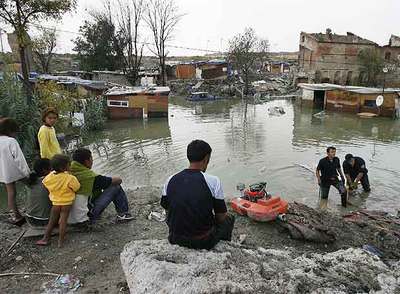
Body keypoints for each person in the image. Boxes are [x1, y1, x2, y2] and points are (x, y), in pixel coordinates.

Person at [161, 139, 235, 250]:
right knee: (229, 219)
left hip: (175, 238)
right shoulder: (213, 181)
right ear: (206, 158)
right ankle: (225, 247)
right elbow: (221, 217)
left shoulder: (170, 180)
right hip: (202, 241)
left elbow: (167, 210)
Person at [70, 148, 134, 224]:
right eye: (91, 159)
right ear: (87, 161)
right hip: (86, 216)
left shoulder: (67, 173)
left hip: (68, 216)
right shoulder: (90, 177)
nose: (92, 161)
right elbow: (118, 180)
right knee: (116, 186)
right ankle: (124, 215)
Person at [37, 155, 80, 247]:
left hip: (55, 203)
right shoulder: (70, 178)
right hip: (66, 203)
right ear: (64, 167)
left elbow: (45, 183)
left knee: (52, 221)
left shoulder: (49, 177)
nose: (70, 166)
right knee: (63, 220)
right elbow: (77, 188)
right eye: (69, 164)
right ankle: (60, 241)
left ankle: (45, 238)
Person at [0, 118, 30, 225]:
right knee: (31, 184)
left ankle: (16, 215)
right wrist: (27, 173)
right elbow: (19, 159)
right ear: (10, 131)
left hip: (3, 172)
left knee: (10, 193)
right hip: (14, 171)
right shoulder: (11, 141)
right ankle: (35, 208)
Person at [26, 159, 52, 227]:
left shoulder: (31, 180)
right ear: (44, 170)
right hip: (44, 221)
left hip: (30, 218)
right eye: (51, 167)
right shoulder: (48, 181)